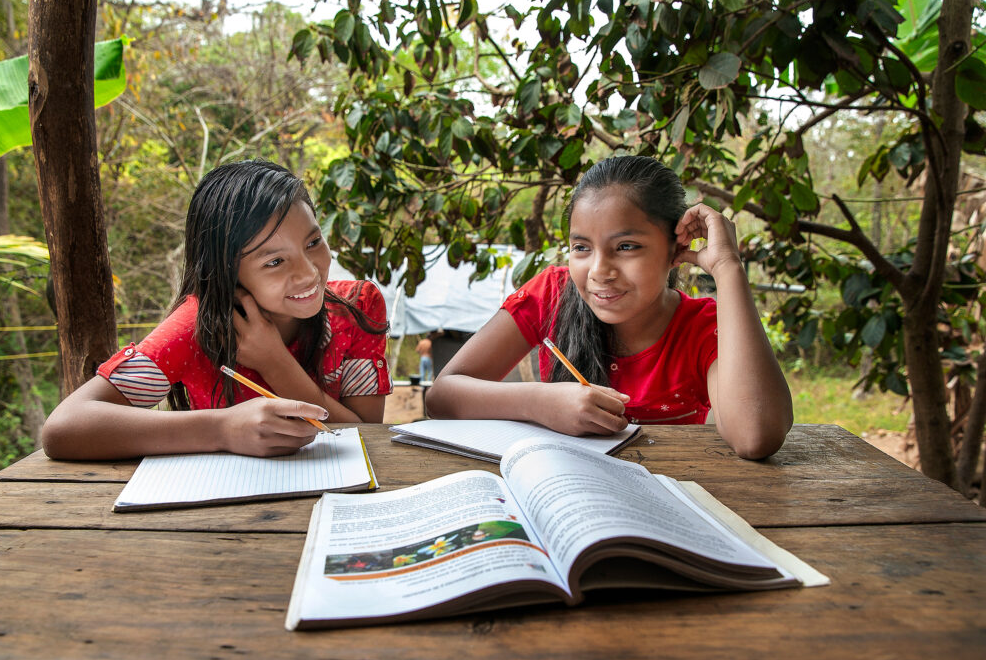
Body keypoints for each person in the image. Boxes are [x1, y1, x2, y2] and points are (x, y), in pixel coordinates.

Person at [424, 155, 792, 459]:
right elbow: (443, 396)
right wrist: (540, 402)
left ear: (676, 248)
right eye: (582, 248)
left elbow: (755, 436)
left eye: (626, 246)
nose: (599, 271)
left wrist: (728, 267)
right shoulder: (553, 293)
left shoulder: (700, 327)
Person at [42, 160, 392, 460]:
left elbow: (365, 434)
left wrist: (275, 363)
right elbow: (65, 427)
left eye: (313, 243)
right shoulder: (199, 326)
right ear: (225, 271)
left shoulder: (356, 308)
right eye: (274, 261)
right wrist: (221, 429)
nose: (308, 272)